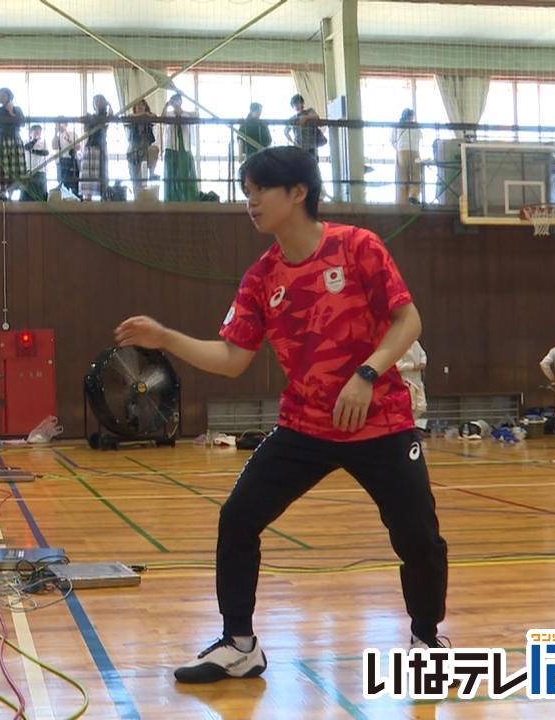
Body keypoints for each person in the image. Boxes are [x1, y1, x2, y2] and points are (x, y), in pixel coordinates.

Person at [115, 146, 448, 684]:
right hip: (305, 426)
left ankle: (427, 640)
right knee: (238, 518)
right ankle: (240, 645)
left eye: (260, 190)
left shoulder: (358, 247)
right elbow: (231, 359)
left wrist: (366, 374)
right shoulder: (261, 278)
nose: (250, 202)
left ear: (298, 193)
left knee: (418, 536)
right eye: (245, 191)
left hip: (382, 421)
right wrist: (167, 339)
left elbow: (407, 320)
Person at [0, 88, 27, 200]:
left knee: (16, 168)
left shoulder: (17, 109)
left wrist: (11, 112)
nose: (1, 97)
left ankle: (13, 195)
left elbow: (22, 123)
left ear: (9, 96)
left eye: (3, 95)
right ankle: (4, 196)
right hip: (1, 141)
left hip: (15, 141)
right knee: (2, 169)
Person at [162, 93, 200, 202]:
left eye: (177, 100)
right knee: (171, 173)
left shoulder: (186, 115)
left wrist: (183, 112)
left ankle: (187, 198)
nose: (175, 103)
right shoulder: (169, 114)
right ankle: (172, 198)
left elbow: (196, 114)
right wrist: (166, 105)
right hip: (172, 147)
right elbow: (162, 118)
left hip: (184, 147)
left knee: (185, 173)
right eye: (173, 101)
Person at [80, 94, 112, 201]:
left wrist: (110, 105)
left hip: (101, 147)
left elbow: (110, 118)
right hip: (91, 147)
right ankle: (87, 200)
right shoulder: (90, 117)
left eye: (101, 101)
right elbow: (86, 129)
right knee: (88, 177)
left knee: (102, 176)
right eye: (96, 101)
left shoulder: (105, 116)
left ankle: (103, 199)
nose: (98, 103)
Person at [124, 99, 159, 192]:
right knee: (135, 179)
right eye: (138, 105)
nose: (140, 106)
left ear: (145, 107)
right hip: (134, 151)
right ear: (134, 108)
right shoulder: (132, 118)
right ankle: (137, 200)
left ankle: (151, 174)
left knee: (143, 179)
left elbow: (156, 118)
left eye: (142, 105)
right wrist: (143, 115)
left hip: (145, 150)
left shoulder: (148, 119)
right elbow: (126, 119)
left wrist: (147, 115)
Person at [391, 109, 422, 205]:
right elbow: (420, 137)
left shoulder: (397, 126)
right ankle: (413, 196)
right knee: (416, 175)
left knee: (402, 176)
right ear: (411, 116)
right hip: (415, 152)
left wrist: (398, 148)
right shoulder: (416, 126)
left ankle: (401, 201)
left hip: (402, 152)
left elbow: (392, 140)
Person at [396, 339, 428, 431]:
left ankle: (410, 425)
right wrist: (412, 366)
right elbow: (396, 365)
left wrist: (422, 363)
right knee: (411, 407)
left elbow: (423, 354)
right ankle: (407, 428)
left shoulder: (415, 343)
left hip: (418, 380)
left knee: (421, 407)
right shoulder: (399, 345)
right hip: (406, 380)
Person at [23, 124, 50, 201]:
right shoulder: (26, 141)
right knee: (29, 194)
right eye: (36, 131)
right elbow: (27, 147)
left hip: (41, 171)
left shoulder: (43, 142)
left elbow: (46, 152)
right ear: (30, 132)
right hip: (30, 170)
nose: (38, 133)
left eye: (39, 131)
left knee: (42, 193)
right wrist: (34, 140)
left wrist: (34, 151)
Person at [52, 122, 80, 197]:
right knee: (62, 184)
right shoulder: (57, 136)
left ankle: (76, 202)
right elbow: (54, 146)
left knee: (74, 184)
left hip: (72, 161)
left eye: (62, 123)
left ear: (66, 124)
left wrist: (68, 139)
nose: (60, 125)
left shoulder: (72, 134)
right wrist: (55, 132)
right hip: (60, 162)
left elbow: (78, 147)